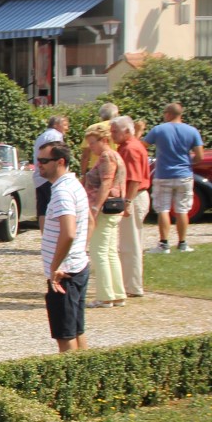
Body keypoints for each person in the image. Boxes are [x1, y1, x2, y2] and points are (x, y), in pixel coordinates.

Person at [37, 140, 90, 352]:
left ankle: (72, 382)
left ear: (60, 161)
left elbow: (68, 232)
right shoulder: (74, 185)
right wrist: (80, 250)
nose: (38, 165)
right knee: (77, 329)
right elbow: (90, 221)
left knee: (65, 335)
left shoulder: (61, 192)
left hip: (64, 273)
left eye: (43, 161)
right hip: (77, 266)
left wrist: (55, 267)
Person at [145, 102, 204, 254]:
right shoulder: (192, 131)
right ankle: (183, 243)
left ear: (168, 114)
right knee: (182, 210)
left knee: (163, 209)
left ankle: (164, 244)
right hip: (184, 174)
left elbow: (142, 145)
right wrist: (188, 162)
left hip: (163, 174)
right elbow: (200, 156)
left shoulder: (159, 130)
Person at [81, 122, 128, 309]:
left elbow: (106, 184)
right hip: (112, 209)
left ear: (104, 140)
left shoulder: (107, 157)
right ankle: (117, 293)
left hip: (104, 209)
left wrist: (94, 208)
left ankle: (105, 296)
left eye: (93, 143)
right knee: (109, 251)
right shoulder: (113, 155)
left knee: (98, 251)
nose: (91, 148)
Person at [112, 115, 151, 296]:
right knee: (129, 242)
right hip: (134, 196)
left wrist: (127, 202)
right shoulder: (129, 146)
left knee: (131, 243)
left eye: (115, 131)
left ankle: (133, 286)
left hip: (134, 197)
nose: (112, 135)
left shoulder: (131, 148)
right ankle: (129, 284)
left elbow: (134, 179)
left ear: (127, 131)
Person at [33, 115, 68, 218]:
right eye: (65, 125)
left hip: (39, 176)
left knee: (43, 210)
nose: (67, 128)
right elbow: (58, 155)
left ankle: (45, 233)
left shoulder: (42, 136)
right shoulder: (55, 136)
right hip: (50, 177)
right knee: (55, 209)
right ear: (56, 125)